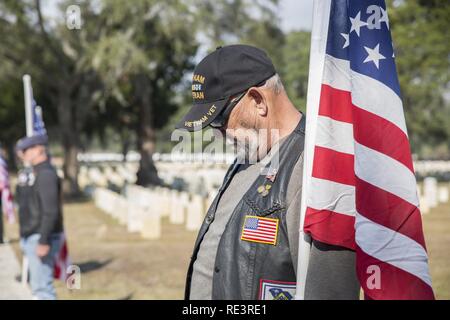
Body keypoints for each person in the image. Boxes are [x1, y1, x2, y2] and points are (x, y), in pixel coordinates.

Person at [175, 45, 360, 300]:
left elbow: (330, 290)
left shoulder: (313, 167)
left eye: (219, 120)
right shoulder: (250, 153)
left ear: (258, 101)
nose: (217, 134)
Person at [15, 134, 64, 300]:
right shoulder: (35, 173)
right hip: (33, 234)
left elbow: (50, 211)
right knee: (39, 287)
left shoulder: (46, 174)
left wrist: (43, 241)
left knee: (43, 289)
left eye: (26, 149)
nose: (23, 154)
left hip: (41, 236)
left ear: (39, 149)